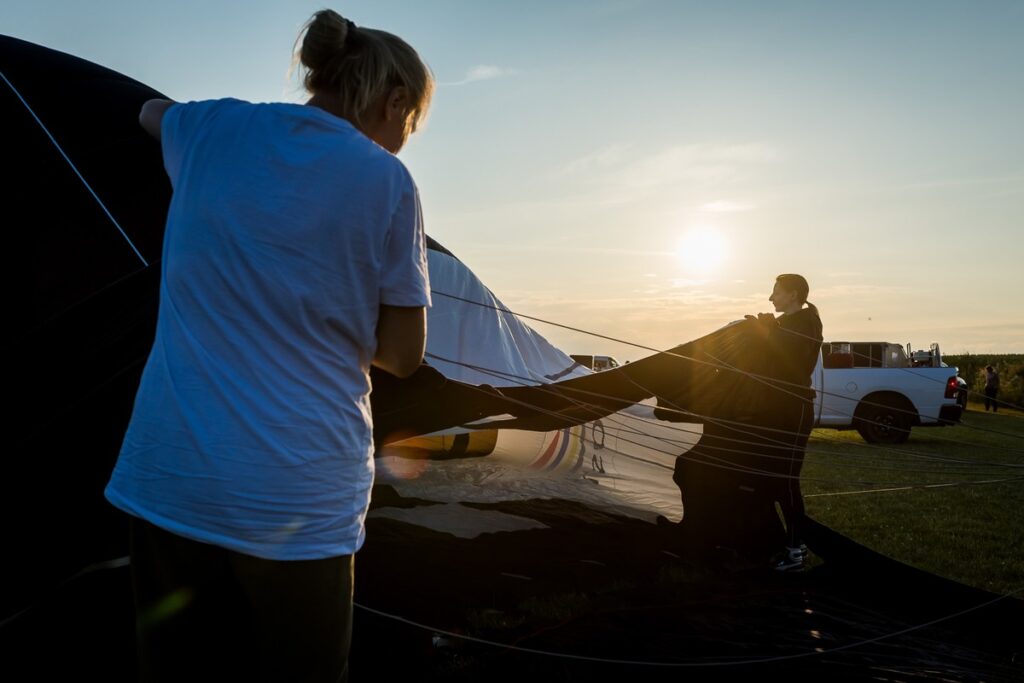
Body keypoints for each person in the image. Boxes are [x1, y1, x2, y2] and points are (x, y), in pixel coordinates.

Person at [104, 10, 434, 682]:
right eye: (411, 123)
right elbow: (404, 352)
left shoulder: (214, 126)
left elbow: (147, 112)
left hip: (172, 479)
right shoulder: (387, 181)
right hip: (298, 498)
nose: (403, 141)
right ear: (392, 100)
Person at [749, 274, 823, 572]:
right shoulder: (787, 325)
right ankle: (774, 542)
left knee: (787, 479)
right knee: (768, 478)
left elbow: (792, 354)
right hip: (775, 409)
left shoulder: (808, 323)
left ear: (793, 295)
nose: (771, 298)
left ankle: (795, 551)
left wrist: (769, 328)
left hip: (793, 410)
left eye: (776, 292)